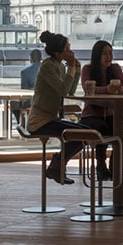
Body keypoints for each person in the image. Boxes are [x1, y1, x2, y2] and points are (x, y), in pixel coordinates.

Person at [27, 31, 84, 184]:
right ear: (58, 52)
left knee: (84, 133)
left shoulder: (59, 66)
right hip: (39, 122)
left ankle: (57, 165)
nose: (70, 51)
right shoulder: (47, 67)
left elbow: (70, 90)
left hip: (51, 118)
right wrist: (72, 67)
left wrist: (76, 69)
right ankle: (57, 165)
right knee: (82, 134)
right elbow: (63, 90)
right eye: (67, 49)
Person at [80, 39, 123, 180]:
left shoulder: (115, 68)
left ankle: (115, 163)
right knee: (100, 128)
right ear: (97, 55)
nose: (108, 57)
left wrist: (118, 89)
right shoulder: (87, 69)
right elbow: (88, 89)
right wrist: (108, 89)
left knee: (120, 129)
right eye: (105, 53)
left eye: (110, 53)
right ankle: (100, 164)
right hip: (91, 114)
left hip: (111, 113)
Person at [13, 48, 43, 125]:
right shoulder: (47, 69)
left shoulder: (25, 72)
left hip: (31, 101)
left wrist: (21, 103)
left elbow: (24, 91)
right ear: (41, 58)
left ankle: (21, 124)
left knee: (13, 104)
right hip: (45, 101)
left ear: (31, 58)